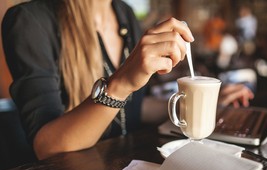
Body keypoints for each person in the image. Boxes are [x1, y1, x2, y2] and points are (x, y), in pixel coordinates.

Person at [2, 0, 253, 160]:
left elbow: (134, 108)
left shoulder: (125, 14)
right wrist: (119, 85)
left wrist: (203, 102)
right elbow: (47, 146)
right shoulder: (29, 20)